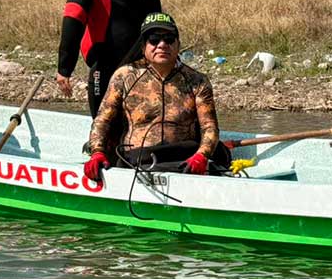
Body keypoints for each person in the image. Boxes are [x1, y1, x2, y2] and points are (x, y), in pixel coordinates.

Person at [83, 12, 229, 182]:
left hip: (184, 162)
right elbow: (102, 121)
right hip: (135, 160)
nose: (162, 45)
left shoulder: (198, 81)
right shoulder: (124, 76)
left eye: (169, 39)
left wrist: (201, 156)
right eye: (154, 39)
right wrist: (97, 153)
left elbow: (210, 127)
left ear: (178, 44)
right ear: (144, 46)